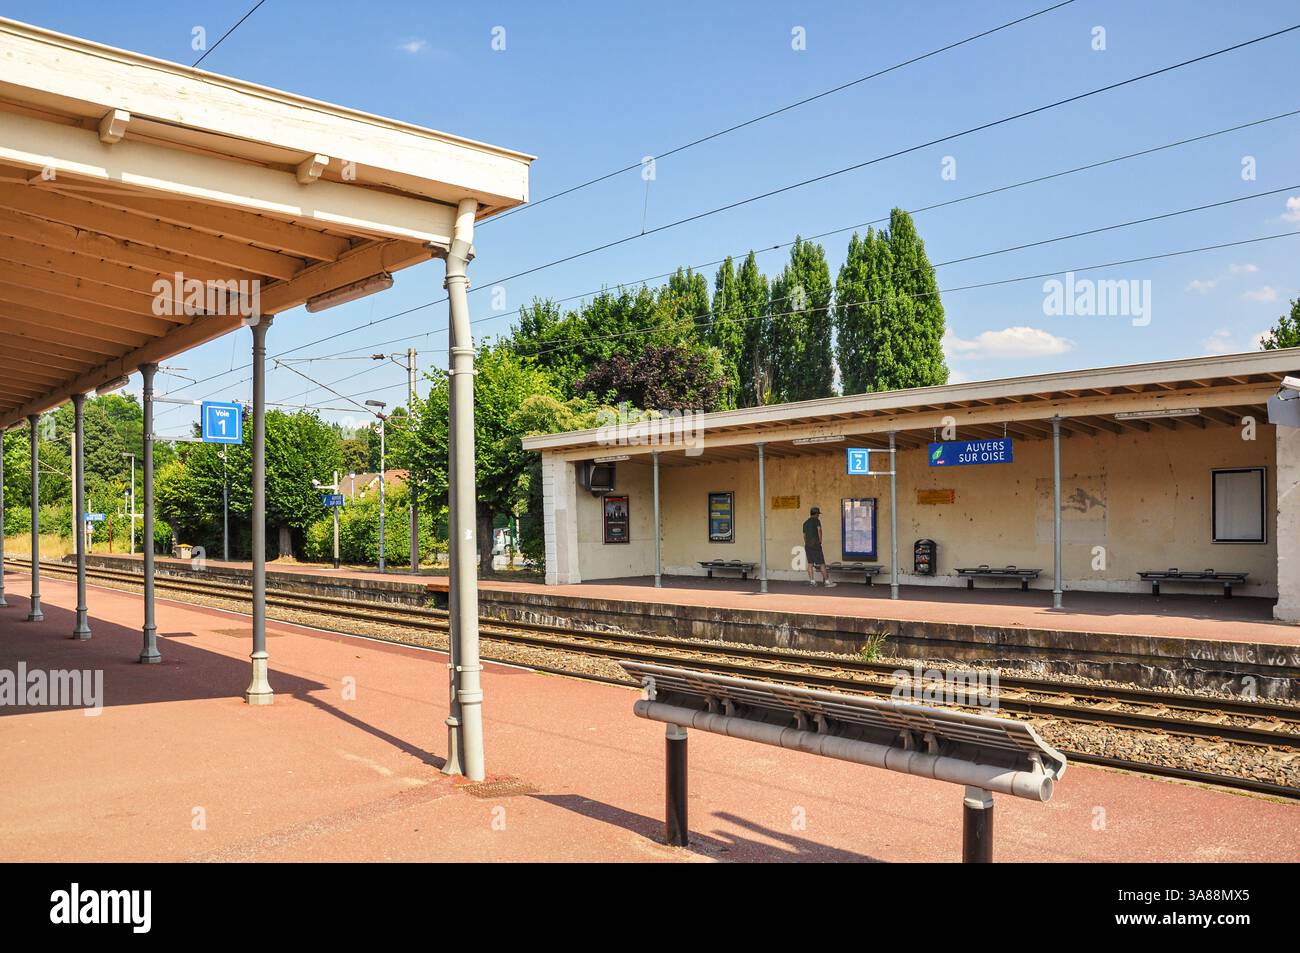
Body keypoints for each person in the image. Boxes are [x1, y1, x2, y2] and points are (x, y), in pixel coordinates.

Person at [801, 506, 835, 587]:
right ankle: (827, 582)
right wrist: (820, 541)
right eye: (818, 514)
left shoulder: (805, 523)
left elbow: (804, 535)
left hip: (808, 545)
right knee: (822, 563)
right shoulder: (816, 521)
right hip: (816, 544)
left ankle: (812, 581)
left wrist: (807, 543)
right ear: (816, 514)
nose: (819, 515)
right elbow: (819, 530)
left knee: (810, 563)